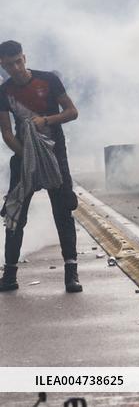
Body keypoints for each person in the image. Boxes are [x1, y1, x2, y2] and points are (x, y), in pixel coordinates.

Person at [0, 41, 81, 293]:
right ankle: (9, 276)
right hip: (23, 157)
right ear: (2, 65)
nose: (15, 68)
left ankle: (71, 274)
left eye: (18, 61)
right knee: (15, 215)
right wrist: (26, 156)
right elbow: (6, 133)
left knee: (63, 210)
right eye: (9, 64)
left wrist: (46, 120)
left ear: (24, 58)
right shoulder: (4, 91)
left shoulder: (48, 80)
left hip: (55, 155)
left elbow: (72, 112)